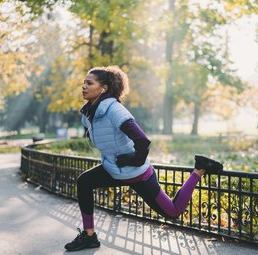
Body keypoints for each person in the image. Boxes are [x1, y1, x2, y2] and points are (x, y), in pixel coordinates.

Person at [64, 66, 224, 252]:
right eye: (84, 82)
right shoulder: (90, 114)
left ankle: (199, 169)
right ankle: (89, 236)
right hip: (114, 170)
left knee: (173, 211)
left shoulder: (115, 110)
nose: (83, 86)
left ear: (104, 88)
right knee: (84, 181)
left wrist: (134, 160)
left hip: (138, 174)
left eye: (89, 83)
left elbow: (143, 141)